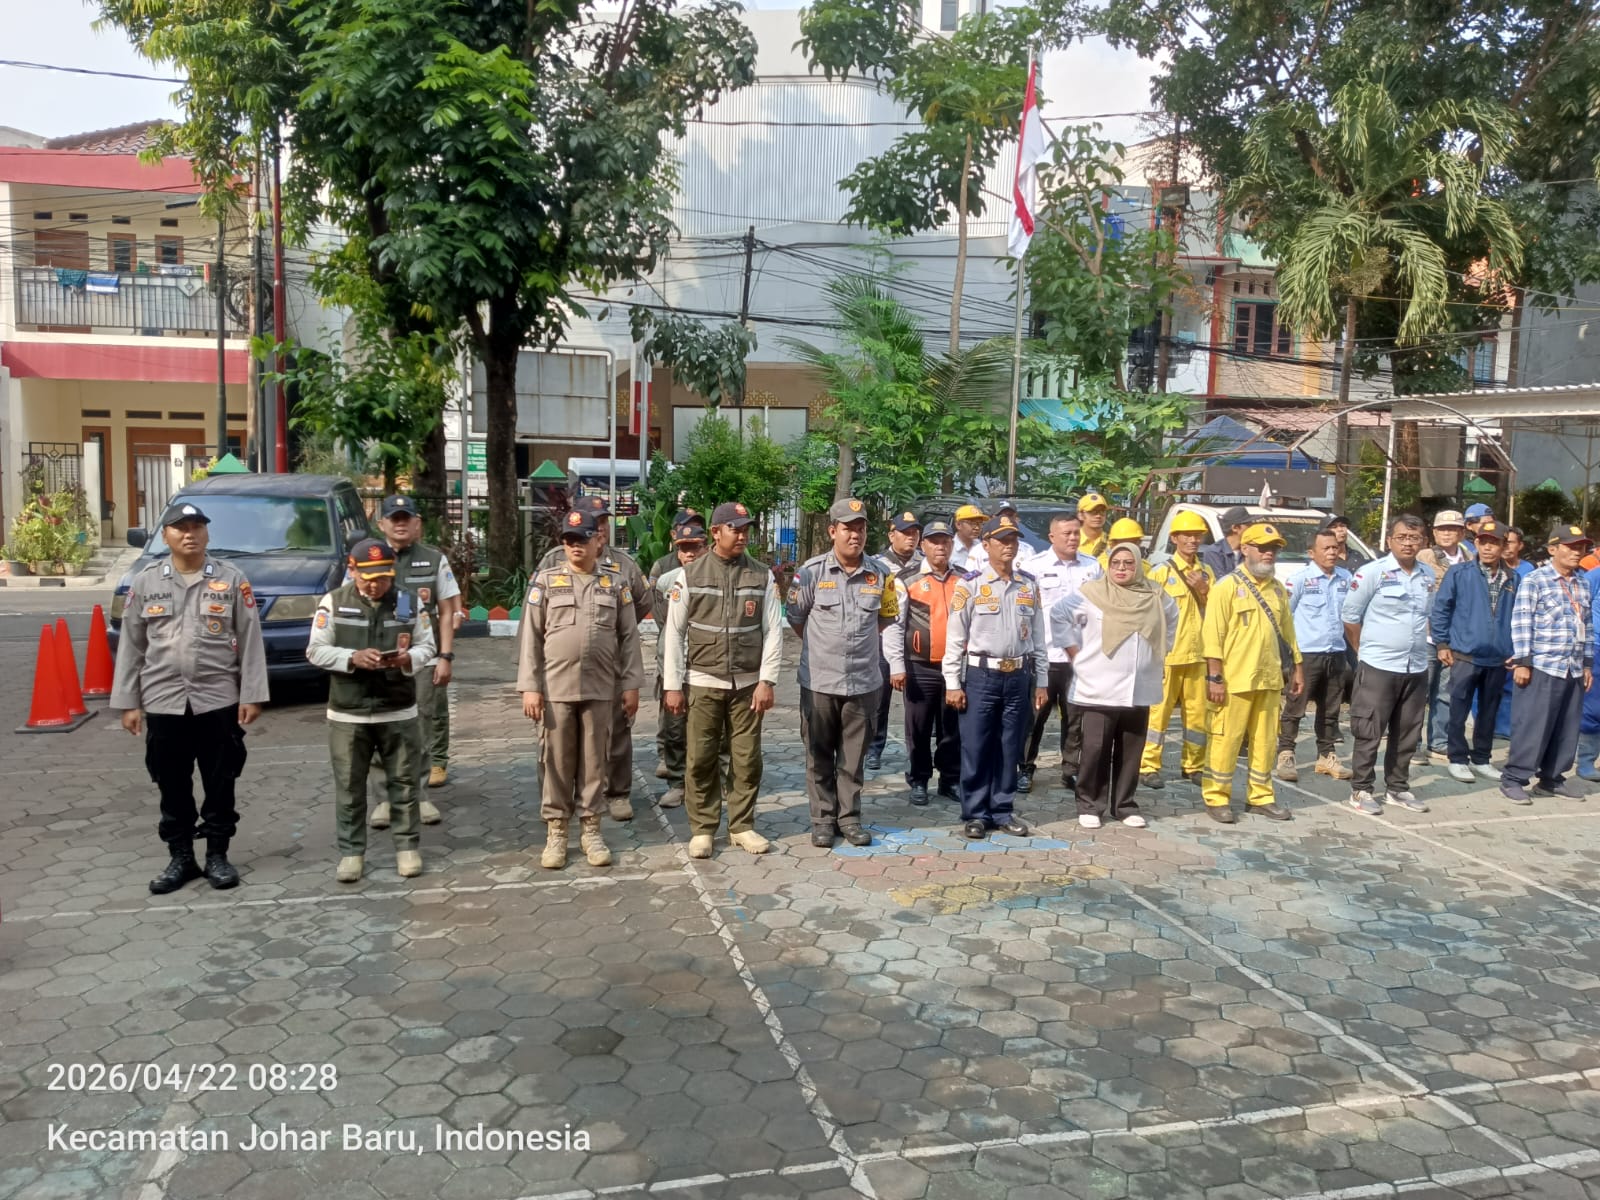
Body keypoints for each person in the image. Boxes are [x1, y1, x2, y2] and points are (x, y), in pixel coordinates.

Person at [111, 501, 269, 894]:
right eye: (181, 527)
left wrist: (252, 694)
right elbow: (132, 645)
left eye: (197, 526)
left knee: (221, 781)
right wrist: (129, 703)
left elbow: (250, 639)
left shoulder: (231, 579)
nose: (190, 534)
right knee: (172, 784)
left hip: (217, 700)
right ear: (165, 535)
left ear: (207, 533)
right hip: (163, 701)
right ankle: (181, 858)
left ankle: (217, 855)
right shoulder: (146, 582)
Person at [517, 509, 644, 869]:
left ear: (597, 540)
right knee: (556, 762)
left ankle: (591, 830)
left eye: (582, 539)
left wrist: (632, 684)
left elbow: (629, 637)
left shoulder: (614, 584)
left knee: (594, 762)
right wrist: (530, 687)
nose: (575, 546)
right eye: (569, 540)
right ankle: (557, 831)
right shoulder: (546, 582)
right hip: (555, 688)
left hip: (601, 687)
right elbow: (531, 637)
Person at [307, 539, 436, 882]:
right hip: (348, 713)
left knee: (404, 783)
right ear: (352, 571)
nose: (375, 585)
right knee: (350, 787)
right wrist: (351, 658)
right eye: (368, 578)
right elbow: (315, 650)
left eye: (382, 577)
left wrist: (409, 659)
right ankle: (352, 853)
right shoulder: (334, 602)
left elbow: (428, 646)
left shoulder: (408, 602)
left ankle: (407, 848)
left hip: (398, 709)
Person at [662, 501, 784, 859]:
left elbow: (773, 631)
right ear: (716, 532)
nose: (742, 535)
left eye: (746, 529)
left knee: (747, 759)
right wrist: (673, 685)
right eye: (735, 529)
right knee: (701, 758)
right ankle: (702, 829)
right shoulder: (690, 575)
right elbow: (674, 633)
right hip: (702, 681)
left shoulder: (761, 575)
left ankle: (741, 826)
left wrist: (767, 680)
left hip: (748, 685)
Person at [788, 498, 899, 848]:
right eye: (848, 528)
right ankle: (822, 820)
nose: (856, 535)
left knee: (853, 758)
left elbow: (885, 618)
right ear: (832, 531)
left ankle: (849, 818)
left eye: (861, 528)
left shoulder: (881, 574)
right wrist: (825, 649)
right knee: (819, 754)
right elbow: (796, 618)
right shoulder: (811, 572)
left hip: (864, 682)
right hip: (820, 681)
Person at [539, 495, 650, 822]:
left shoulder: (623, 564)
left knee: (615, 731)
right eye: (595, 521)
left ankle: (617, 793)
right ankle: (558, 804)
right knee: (556, 738)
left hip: (608, 664)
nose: (601, 528)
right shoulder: (553, 560)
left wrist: (608, 629)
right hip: (560, 671)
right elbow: (537, 614)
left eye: (604, 522)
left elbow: (642, 603)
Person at [1052, 544, 1177, 829]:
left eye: (1128, 563)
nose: (1121, 568)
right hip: (1099, 684)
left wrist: (1161, 650)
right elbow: (1058, 614)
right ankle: (1090, 804)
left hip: (1139, 685)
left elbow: (1171, 620)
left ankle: (1124, 805)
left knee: (1131, 749)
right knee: (1095, 748)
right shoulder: (1092, 593)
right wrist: (1074, 652)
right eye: (1116, 563)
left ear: (1139, 566)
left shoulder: (1155, 594)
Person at [942, 512, 1048, 840]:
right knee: (976, 746)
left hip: (1018, 676)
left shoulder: (1028, 584)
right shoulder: (970, 584)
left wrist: (1042, 680)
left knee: (1009, 746)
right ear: (986, 545)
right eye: (1001, 540)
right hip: (981, 676)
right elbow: (955, 637)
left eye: (1013, 539)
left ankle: (1002, 809)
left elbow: (1039, 637)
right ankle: (975, 813)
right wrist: (952, 683)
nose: (1008, 546)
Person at [1200, 524, 1302, 823]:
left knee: (1266, 742)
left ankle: (1261, 797)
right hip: (1234, 680)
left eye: (1274, 548)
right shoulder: (1226, 587)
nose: (1269, 553)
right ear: (1245, 549)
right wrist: (1215, 677)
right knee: (1226, 741)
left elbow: (1288, 633)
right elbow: (1212, 637)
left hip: (1268, 678)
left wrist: (1298, 668)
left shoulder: (1277, 588)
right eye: (1263, 547)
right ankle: (1216, 798)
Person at [370, 496, 460, 829]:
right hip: (380, 658)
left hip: (423, 656)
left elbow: (448, 610)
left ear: (417, 523)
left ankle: (418, 796)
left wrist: (445, 657)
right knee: (380, 723)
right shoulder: (367, 557)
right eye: (393, 518)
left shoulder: (434, 559)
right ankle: (384, 799)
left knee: (419, 724)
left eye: (405, 517)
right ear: (381, 523)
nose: (400, 523)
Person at [1340, 514, 1436, 816]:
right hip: (1378, 666)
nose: (1408, 543)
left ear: (1423, 542)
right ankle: (1361, 789)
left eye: (1414, 538)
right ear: (1389, 540)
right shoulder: (1372, 572)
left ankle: (1397, 788)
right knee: (1369, 729)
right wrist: (1362, 651)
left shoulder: (1427, 575)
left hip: (1415, 666)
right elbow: (1350, 617)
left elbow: (1427, 617)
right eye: (1402, 537)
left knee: (1408, 731)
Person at [1501, 524, 1595, 805]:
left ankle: (1552, 779)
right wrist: (1523, 662)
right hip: (1542, 666)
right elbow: (1522, 621)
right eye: (1571, 547)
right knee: (1533, 726)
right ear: (1553, 549)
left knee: (1566, 728)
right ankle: (1514, 779)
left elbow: (1587, 625)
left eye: (1581, 547)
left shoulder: (1582, 583)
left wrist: (1587, 664)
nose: (1577, 552)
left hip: (1572, 667)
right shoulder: (1535, 580)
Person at [1019, 512, 1102, 794]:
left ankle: (1071, 770)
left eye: (1076, 532)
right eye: (1066, 533)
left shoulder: (1092, 567)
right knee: (1034, 718)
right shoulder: (1033, 567)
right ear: (1051, 536)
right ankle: (1025, 768)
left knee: (1076, 719)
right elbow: (1024, 611)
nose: (1073, 538)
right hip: (1044, 657)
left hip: (1079, 658)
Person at [883, 520, 964, 806]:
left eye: (945, 541)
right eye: (934, 541)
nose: (940, 546)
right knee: (917, 727)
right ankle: (919, 780)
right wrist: (896, 665)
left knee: (952, 728)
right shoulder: (906, 579)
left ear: (952, 544)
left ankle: (950, 779)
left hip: (955, 667)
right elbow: (893, 625)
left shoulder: (965, 579)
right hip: (919, 666)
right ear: (923, 545)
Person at [1431, 518, 1517, 785]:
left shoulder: (1513, 578)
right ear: (1476, 543)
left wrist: (1515, 649)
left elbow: (1519, 617)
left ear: (1503, 546)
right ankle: (1457, 758)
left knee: (1489, 712)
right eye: (1483, 542)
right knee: (1458, 708)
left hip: (1498, 656)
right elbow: (1441, 608)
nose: (1488, 548)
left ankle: (1481, 758)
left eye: (1494, 543)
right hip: (1465, 654)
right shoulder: (1460, 573)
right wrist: (1442, 644)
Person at [1139, 510, 1214, 790]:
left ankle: (1194, 766)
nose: (1193, 540)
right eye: (1187, 535)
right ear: (1174, 538)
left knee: (1197, 715)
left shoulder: (1207, 573)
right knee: (1157, 715)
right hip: (1168, 656)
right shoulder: (1161, 573)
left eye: (1197, 535)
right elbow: (1148, 615)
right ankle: (1148, 766)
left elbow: (1216, 612)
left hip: (1198, 655)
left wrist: (1204, 590)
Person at [1275, 528, 1354, 782]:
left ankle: (1326, 756)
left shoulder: (1346, 578)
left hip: (1336, 652)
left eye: (1335, 548)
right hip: (1307, 655)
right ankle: (1286, 753)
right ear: (1312, 553)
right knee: (1295, 706)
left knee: (1331, 709)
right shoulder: (1299, 580)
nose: (1332, 552)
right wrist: (1290, 656)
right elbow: (1284, 618)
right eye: (1326, 548)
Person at [649, 517, 708, 808]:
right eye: (684, 548)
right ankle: (677, 783)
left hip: (705, 666)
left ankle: (706, 784)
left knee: (708, 730)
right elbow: (663, 619)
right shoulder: (666, 579)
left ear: (705, 547)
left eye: (695, 547)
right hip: (673, 664)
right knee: (675, 727)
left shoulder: (714, 577)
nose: (690, 554)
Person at [868, 511, 923, 770]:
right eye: (905, 533)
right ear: (892, 535)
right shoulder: (877, 565)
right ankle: (873, 748)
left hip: (916, 642)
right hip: (882, 641)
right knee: (879, 700)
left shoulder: (925, 564)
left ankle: (918, 753)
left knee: (917, 702)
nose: (911, 538)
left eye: (915, 533)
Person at [1420, 510, 1475, 761]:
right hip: (1426, 635)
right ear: (1434, 532)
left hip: (1455, 638)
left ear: (1462, 532)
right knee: (1419, 693)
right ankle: (1411, 744)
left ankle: (1439, 742)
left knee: (1446, 694)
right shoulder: (1424, 556)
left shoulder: (1470, 558)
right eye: (1442, 529)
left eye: (1452, 529)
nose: (1446, 533)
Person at [1201, 506, 1250, 580]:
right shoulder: (1213, 552)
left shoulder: (1250, 550)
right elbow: (1222, 582)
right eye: (1248, 525)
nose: (1252, 528)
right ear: (1235, 528)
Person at [951, 504, 987, 572]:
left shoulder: (982, 547)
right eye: (972, 523)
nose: (977, 528)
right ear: (958, 525)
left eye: (980, 523)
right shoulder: (949, 548)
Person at [1077, 493, 1111, 560]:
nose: (1098, 516)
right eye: (1093, 512)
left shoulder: (1112, 542)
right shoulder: (1072, 541)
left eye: (1102, 512)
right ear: (1080, 515)